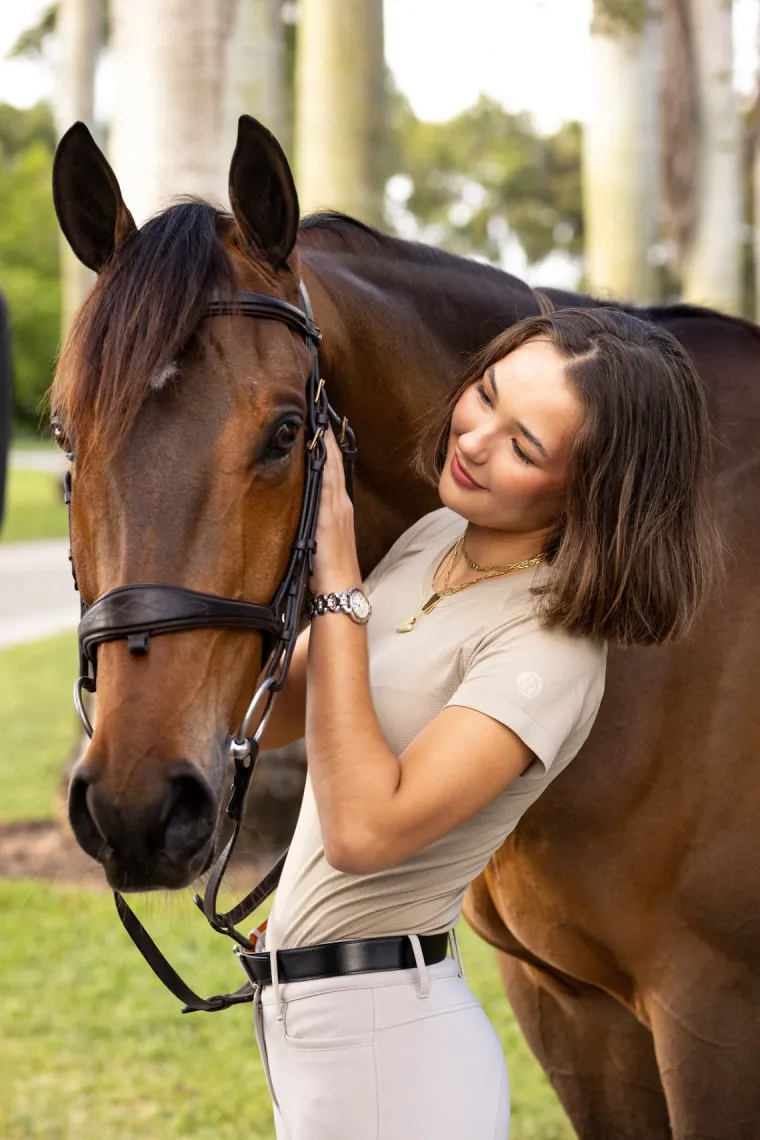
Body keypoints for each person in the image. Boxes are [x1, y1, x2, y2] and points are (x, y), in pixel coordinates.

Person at [238, 307, 722, 1139]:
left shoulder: (552, 649)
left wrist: (340, 583)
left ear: (593, 489)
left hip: (394, 1055)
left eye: (525, 446)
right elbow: (281, 716)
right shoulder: (436, 540)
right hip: (313, 1025)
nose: (474, 438)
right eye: (486, 394)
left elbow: (364, 830)